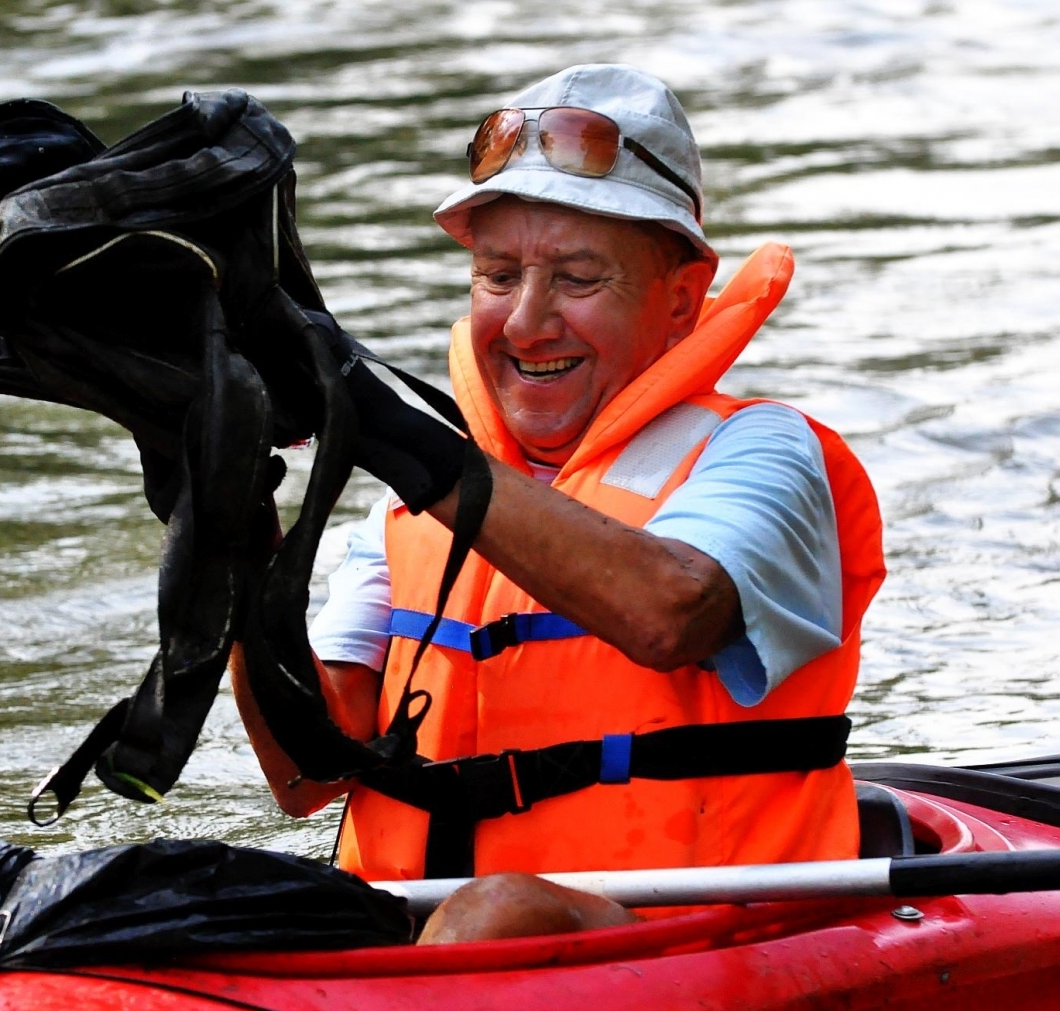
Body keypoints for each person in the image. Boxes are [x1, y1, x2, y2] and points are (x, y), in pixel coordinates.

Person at [230, 64, 886, 943]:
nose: (529, 323)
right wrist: (234, 534)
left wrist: (409, 445)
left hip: (707, 950)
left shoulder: (765, 452)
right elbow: (304, 779)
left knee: (501, 912)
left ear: (682, 300)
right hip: (421, 954)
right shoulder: (403, 522)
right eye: (499, 276)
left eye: (578, 280)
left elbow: (670, 612)